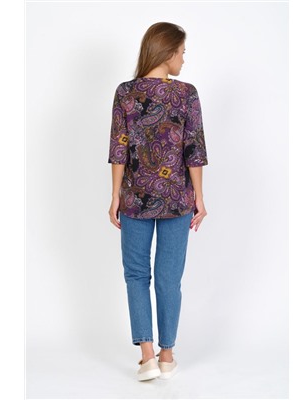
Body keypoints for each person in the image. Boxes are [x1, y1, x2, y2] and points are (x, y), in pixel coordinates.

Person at [107, 22, 208, 381]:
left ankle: (147, 357)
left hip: (134, 198)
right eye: (182, 52)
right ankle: (167, 356)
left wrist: (115, 195)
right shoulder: (186, 94)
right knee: (169, 277)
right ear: (167, 52)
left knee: (137, 274)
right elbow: (194, 150)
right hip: (178, 199)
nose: (183, 58)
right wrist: (199, 197)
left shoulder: (125, 92)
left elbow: (118, 147)